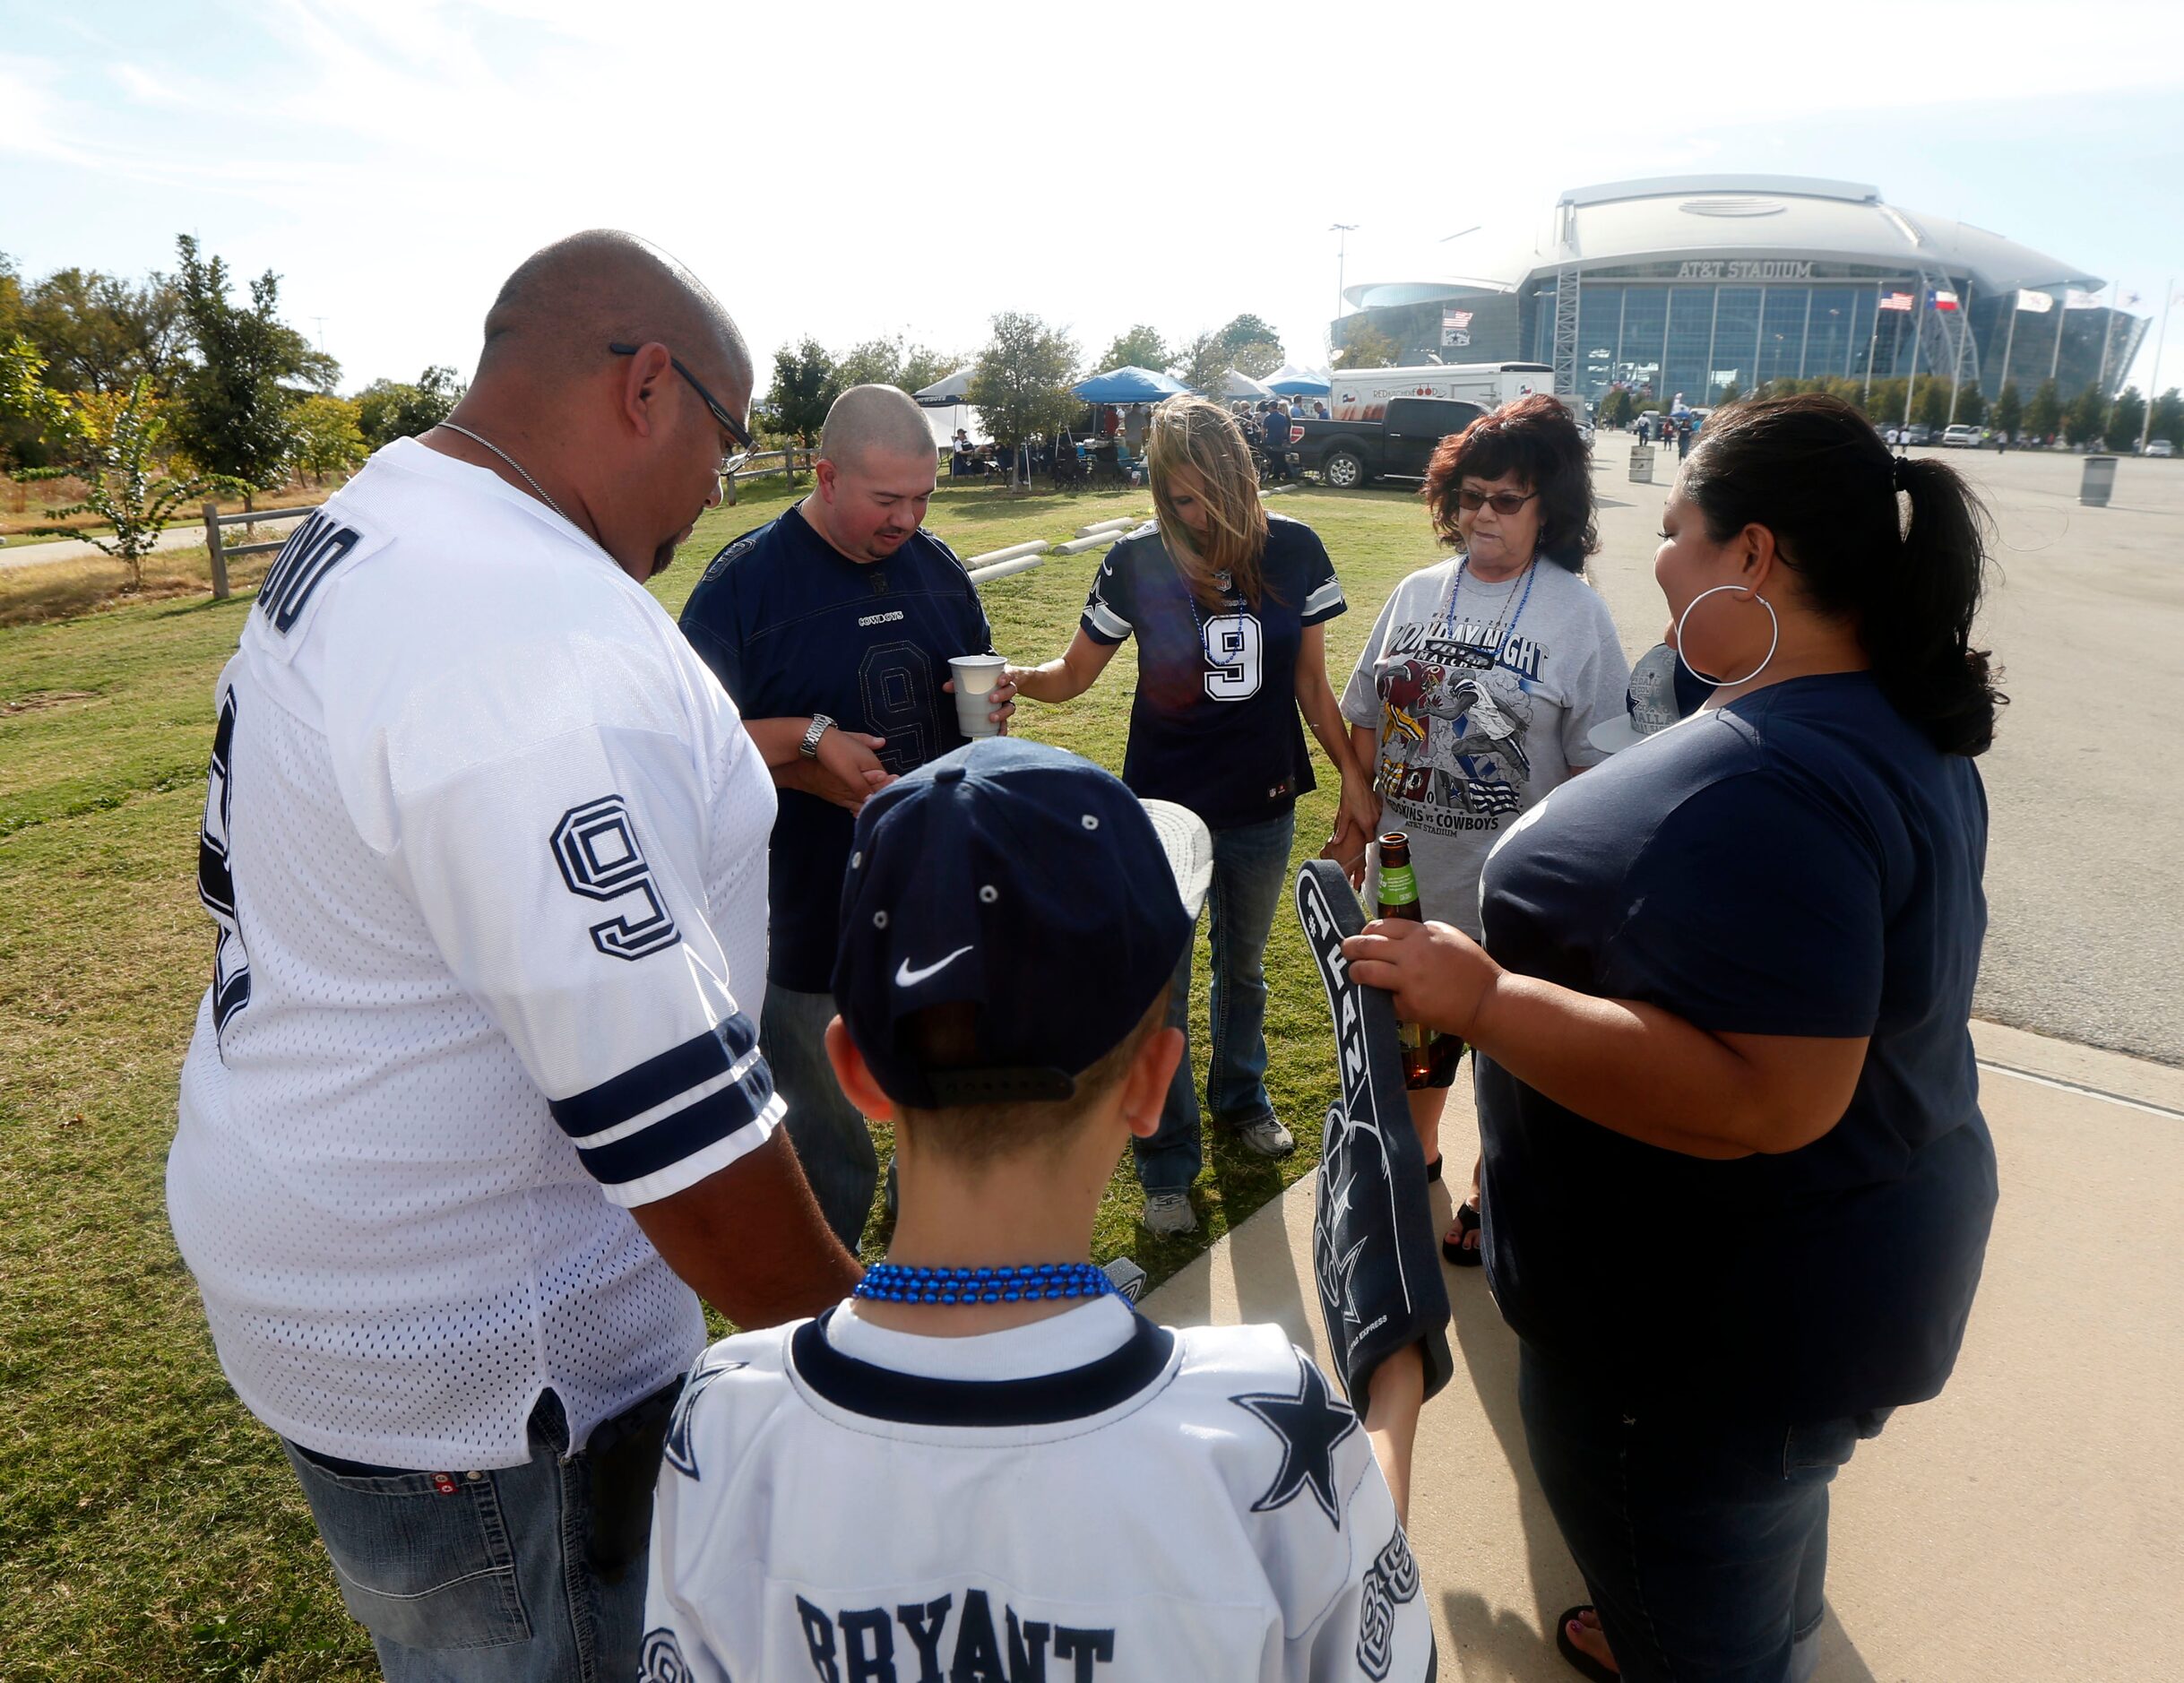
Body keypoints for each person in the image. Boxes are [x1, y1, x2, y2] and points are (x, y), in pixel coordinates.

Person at [165, 230, 861, 1683]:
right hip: (483, 1349)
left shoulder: (396, 519)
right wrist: (867, 1364)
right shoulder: (512, 620)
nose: (712, 493)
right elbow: (671, 1120)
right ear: (648, 385)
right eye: (725, 447)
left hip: (362, 1275)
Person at [1345, 393, 2002, 1683]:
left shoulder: (1777, 780)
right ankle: (1722, 1615)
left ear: (1751, 555)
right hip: (1792, 1301)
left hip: (1704, 1338)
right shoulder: (1873, 720)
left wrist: (1481, 1000)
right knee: (1755, 1520)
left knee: (1700, 1563)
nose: (1658, 556)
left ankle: (1696, 1634)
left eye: (1679, 527)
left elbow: (1775, 1098)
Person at [640, 738, 1436, 1683]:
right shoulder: (1264, 1425)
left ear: (855, 1071)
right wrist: (1391, 1382)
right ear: (1152, 1085)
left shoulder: (723, 1422)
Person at [1009, 397, 1378, 1238]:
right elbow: (1072, 676)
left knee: (1242, 971)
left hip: (1263, 801)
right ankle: (1167, 1160)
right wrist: (1011, 679)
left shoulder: (1292, 546)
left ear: (1244, 474)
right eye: (1181, 498)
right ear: (1156, 492)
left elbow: (1311, 686)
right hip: (1163, 814)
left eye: (1215, 490)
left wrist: (1353, 779)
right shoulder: (1135, 560)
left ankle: (1242, 1100)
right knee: (1161, 995)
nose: (1201, 512)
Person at [678, 384, 1015, 1251]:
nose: (907, 519)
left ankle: (928, 1263)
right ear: (825, 477)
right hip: (804, 912)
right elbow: (684, 753)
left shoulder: (938, 568)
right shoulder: (743, 588)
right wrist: (805, 750)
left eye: (922, 498)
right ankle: (830, 1306)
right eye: (886, 499)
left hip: (936, 893)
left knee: (936, 1110)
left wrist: (993, 703)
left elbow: (968, 703)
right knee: (826, 1146)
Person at [1329, 394, 1629, 1264]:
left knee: (1510, 1061)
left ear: (1549, 511)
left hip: (1516, 896)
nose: (1482, 515)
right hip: (1408, 878)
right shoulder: (1416, 593)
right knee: (1414, 1049)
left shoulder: (1575, 614)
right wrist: (1353, 828)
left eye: (1506, 500)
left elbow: (1597, 766)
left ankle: (1486, 1193)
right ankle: (1413, 1167)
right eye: (1469, 495)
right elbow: (1364, 718)